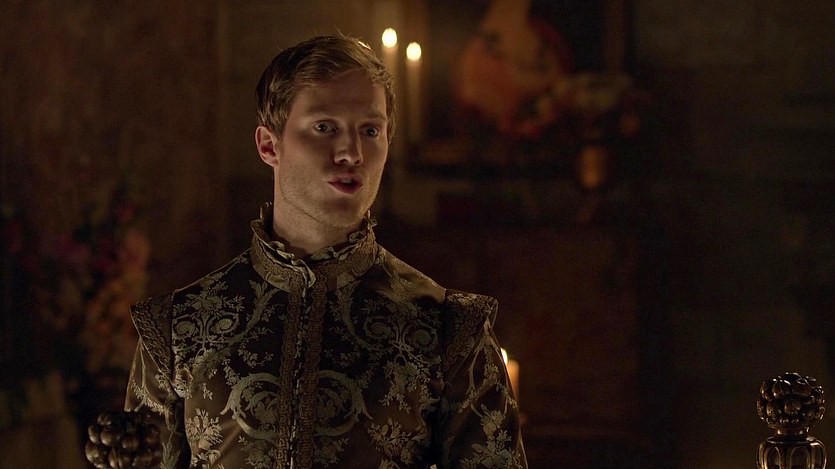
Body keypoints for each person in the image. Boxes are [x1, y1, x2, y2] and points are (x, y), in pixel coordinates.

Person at [125, 34, 526, 468]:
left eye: (369, 131)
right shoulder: (178, 329)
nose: (351, 152)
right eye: (324, 127)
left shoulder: (450, 331)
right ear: (269, 145)